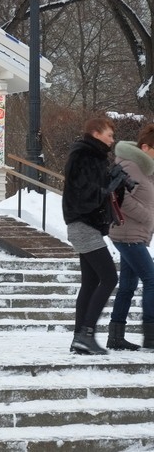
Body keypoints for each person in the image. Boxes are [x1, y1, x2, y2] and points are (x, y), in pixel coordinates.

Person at [62, 117, 126, 355]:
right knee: (109, 278)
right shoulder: (83, 155)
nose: (112, 139)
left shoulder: (96, 157)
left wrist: (116, 185)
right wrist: (107, 187)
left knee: (90, 282)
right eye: (109, 134)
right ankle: (86, 334)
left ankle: (80, 339)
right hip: (82, 223)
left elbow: (100, 193)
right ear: (96, 133)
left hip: (88, 224)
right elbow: (84, 195)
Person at [107, 125, 154, 350]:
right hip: (128, 233)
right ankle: (151, 335)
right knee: (152, 280)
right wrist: (146, 217)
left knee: (127, 285)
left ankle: (116, 336)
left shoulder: (142, 168)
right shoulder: (133, 166)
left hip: (131, 233)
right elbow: (121, 198)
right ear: (145, 147)